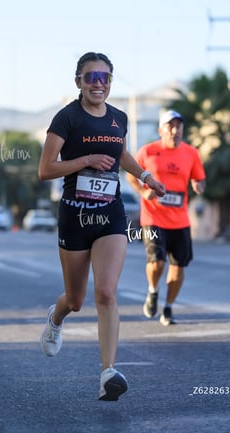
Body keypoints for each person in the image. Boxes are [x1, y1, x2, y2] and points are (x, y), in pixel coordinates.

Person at [38, 52, 165, 401]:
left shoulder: (118, 118)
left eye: (105, 77)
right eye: (91, 76)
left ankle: (108, 372)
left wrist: (145, 176)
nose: (99, 83)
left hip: (110, 213)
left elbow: (121, 152)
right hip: (75, 216)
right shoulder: (67, 118)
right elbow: (45, 169)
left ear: (111, 82)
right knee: (76, 300)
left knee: (106, 292)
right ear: (78, 81)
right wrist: (86, 160)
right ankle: (56, 317)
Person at [126, 109, 206, 326]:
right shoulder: (148, 151)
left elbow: (200, 179)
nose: (174, 130)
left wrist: (198, 185)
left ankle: (168, 308)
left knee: (178, 268)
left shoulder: (191, 153)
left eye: (178, 126)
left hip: (180, 221)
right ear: (161, 130)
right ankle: (153, 291)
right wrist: (143, 192)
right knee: (157, 262)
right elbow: (130, 174)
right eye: (170, 126)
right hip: (153, 217)